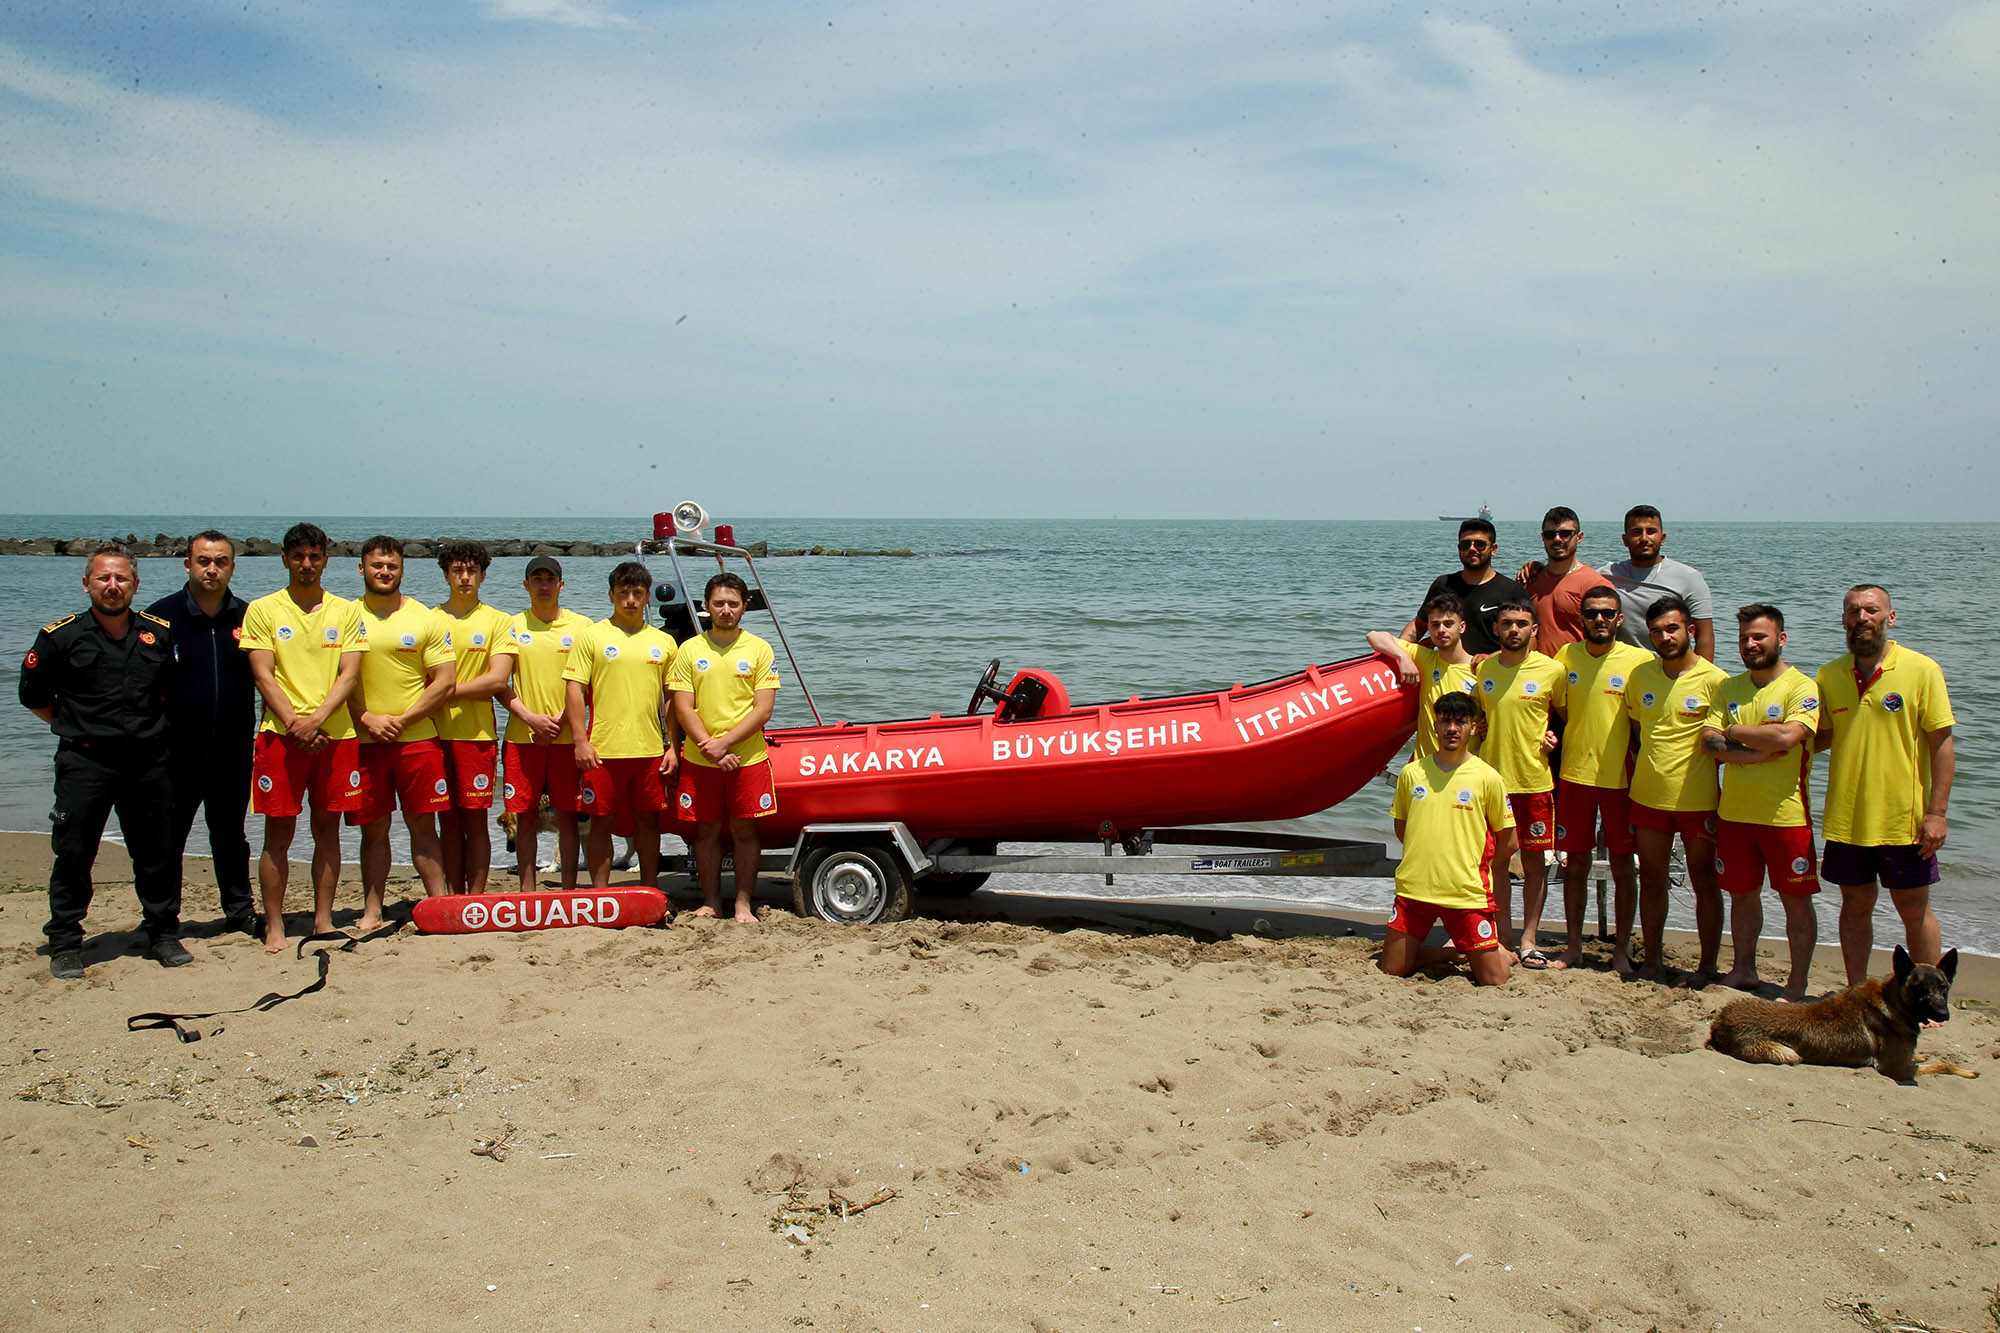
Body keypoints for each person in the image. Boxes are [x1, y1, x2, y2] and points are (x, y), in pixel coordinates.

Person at [19, 544, 189, 977]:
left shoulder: (157, 633)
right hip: (85, 762)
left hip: (147, 763)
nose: (113, 586)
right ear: (87, 584)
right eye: (103, 579)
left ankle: (162, 933)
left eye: (121, 579)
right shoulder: (61, 636)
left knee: (158, 853)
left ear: (135, 584)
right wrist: (79, 725)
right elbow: (34, 696)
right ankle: (65, 941)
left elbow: (172, 694)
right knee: (74, 852)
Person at [1815, 585, 1954, 985]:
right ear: (1843, 620)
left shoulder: (1921, 669)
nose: (1862, 618)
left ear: (1889, 618)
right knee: (1855, 905)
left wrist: (1937, 813)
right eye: (1853, 611)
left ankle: (1928, 996)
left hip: (1905, 820)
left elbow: (1942, 745)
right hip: (1848, 819)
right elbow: (1822, 736)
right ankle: (1858, 990)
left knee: (1914, 909)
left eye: (1871, 610)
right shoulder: (1830, 674)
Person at [242, 522, 365, 952]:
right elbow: (263, 673)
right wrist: (297, 722)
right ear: (285, 559)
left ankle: (323, 919)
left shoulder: (346, 611)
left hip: (335, 736)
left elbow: (349, 674)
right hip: (281, 735)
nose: (306, 565)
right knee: (278, 835)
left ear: (325, 561)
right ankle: (274, 924)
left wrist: (317, 721)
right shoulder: (263, 609)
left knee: (328, 831)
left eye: (314, 557)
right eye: (298, 557)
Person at [1703, 604, 1820, 1001]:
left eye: (1759, 637)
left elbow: (1789, 738)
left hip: (1786, 815)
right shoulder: (1729, 688)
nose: (1750, 645)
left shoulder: (1802, 687)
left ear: (1780, 639)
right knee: (1742, 895)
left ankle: (1798, 982)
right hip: (1734, 814)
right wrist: (1755, 747)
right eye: (1743, 639)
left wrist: (1735, 733)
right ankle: (1743, 969)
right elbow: (1710, 743)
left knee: (1796, 902)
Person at [146, 530, 257, 935]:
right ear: (188, 564)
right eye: (204, 561)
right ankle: (161, 919)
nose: (212, 569)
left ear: (232, 566)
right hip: (174, 752)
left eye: (221, 562)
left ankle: (240, 913)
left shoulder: (248, 617)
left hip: (232, 749)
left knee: (230, 835)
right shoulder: (158, 618)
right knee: (168, 839)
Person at [348, 536, 457, 924]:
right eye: (377, 565)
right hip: (364, 741)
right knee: (373, 831)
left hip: (417, 741)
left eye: (392, 566)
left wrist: (403, 720)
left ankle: (439, 904)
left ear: (402, 570)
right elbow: (335, 682)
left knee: (424, 827)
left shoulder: (426, 618)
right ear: (362, 568)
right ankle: (372, 910)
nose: (384, 572)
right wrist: (366, 718)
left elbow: (444, 682)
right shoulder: (345, 617)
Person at [1548, 586, 1655, 972]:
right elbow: (1558, 707)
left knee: (1624, 866)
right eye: (1591, 613)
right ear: (1582, 619)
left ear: (1619, 619)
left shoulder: (1640, 662)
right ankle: (1574, 946)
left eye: (1607, 613)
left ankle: (1622, 950)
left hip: (1622, 780)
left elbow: (1650, 722)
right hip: (1574, 775)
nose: (1599, 620)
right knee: (1573, 864)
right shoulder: (1566, 656)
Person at [1624, 595, 1728, 977]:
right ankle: (1652, 959)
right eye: (1656, 631)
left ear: (1690, 630)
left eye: (1672, 629)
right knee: (1651, 880)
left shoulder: (1716, 681)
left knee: (1704, 881)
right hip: (1648, 796)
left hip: (1698, 801)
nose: (1665, 637)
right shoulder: (1641, 677)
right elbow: (1637, 734)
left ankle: (1707, 965)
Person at [1381, 692, 1515, 987]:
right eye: (1445, 721)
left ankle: (1493, 951)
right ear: (1435, 726)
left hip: (1466, 892)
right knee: (1391, 969)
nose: (1452, 728)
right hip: (1415, 889)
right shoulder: (1412, 773)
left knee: (1495, 980)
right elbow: (1403, 828)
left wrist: (1472, 865)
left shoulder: (1487, 777)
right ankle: (1449, 953)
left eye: (1460, 722)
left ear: (1473, 727)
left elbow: (1509, 840)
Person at [669, 572, 781, 923]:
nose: (726, 610)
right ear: (706, 607)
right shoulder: (690, 649)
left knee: (745, 831)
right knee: (706, 832)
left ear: (744, 607)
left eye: (733, 603)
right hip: (701, 759)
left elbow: (763, 708)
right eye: (719, 603)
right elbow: (682, 706)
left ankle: (743, 904)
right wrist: (708, 747)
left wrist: (725, 743)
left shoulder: (759, 648)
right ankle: (712, 901)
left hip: (747, 757)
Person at [562, 562, 679, 891]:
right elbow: (575, 690)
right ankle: (601, 893)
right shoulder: (592, 637)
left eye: (637, 594)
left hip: (649, 750)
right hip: (602, 748)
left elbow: (671, 698)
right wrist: (579, 742)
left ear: (647, 598)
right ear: (611, 595)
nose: (630, 600)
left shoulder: (663, 643)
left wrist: (671, 745)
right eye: (623, 593)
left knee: (648, 823)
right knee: (600, 823)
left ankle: (649, 890)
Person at [1473, 599, 1561, 965]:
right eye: (1507, 623)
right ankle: (1503, 938)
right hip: (1493, 783)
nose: (1514, 630)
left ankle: (1529, 939)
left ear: (1534, 630)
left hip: (1534, 781)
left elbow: (1565, 718)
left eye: (1521, 624)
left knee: (1536, 864)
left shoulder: (1553, 671)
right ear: (1497, 629)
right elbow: (1478, 721)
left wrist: (1554, 739)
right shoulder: (1484, 670)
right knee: (1496, 863)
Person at [502, 556, 590, 890]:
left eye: (549, 579)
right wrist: (531, 718)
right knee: (524, 817)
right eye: (536, 579)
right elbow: (500, 683)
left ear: (561, 585)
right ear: (526, 585)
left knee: (567, 817)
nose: (543, 585)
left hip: (568, 738)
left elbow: (586, 684)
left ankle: (568, 889)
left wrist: (562, 718)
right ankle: (527, 891)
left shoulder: (582, 627)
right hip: (522, 737)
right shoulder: (510, 626)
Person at [433, 540, 516, 894]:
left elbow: (497, 680)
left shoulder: (498, 621)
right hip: (432, 733)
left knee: (476, 821)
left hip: (476, 734)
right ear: (446, 574)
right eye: (457, 571)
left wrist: (443, 691)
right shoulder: (429, 619)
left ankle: (477, 898)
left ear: (483, 574)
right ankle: (452, 894)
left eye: (471, 571)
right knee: (447, 822)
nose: (464, 578)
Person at [1366, 592, 1477, 762]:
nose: (1441, 630)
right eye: (1435, 625)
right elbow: (1375, 636)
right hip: (1426, 765)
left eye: (1448, 624)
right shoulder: (1424, 658)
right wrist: (1403, 657)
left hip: (1465, 770)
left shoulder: (1479, 670)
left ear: (1462, 627)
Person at [1598, 506, 1716, 661]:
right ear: (1625, 540)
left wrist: (1700, 678)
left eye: (1651, 531)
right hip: (1620, 669)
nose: (1644, 538)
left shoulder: (1688, 578)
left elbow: (1704, 636)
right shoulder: (1606, 575)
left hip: (1669, 669)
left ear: (1663, 537)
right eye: (1636, 532)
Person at [1399, 517, 1529, 657]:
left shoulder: (1512, 590)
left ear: (1493, 549)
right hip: (1449, 671)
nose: (1472, 549)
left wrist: (1493, 658)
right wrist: (1399, 652)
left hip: (1494, 671)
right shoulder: (1443, 584)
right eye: (1465, 545)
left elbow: (1530, 640)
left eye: (1480, 544)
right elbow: (1419, 626)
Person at [1514, 506, 1601, 657]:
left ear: (1579, 537)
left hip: (1577, 673)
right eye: (1550, 534)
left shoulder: (1594, 584)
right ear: (1543, 537)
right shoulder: (1529, 579)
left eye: (1565, 534)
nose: (1557, 539)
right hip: (1536, 673)